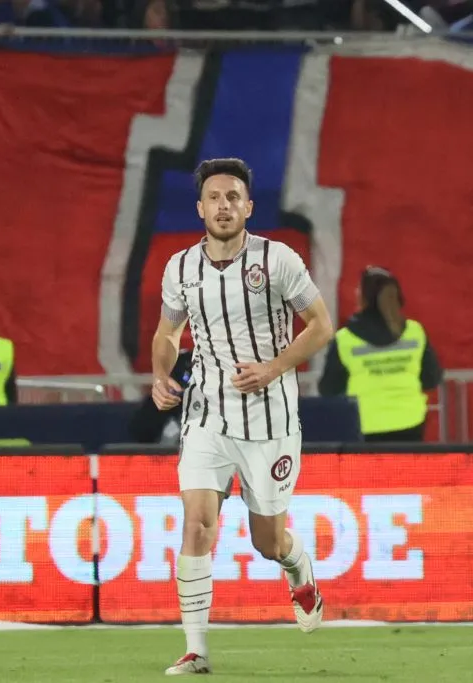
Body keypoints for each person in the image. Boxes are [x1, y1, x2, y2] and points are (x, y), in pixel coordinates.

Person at [150, 158, 333, 675]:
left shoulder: (277, 260)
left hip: (270, 420)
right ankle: (196, 650)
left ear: (248, 207)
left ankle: (299, 568)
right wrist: (162, 376)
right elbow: (167, 334)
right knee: (198, 526)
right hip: (206, 413)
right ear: (200, 208)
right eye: (214, 197)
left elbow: (321, 326)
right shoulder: (180, 268)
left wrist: (273, 368)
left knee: (267, 541)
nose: (224, 205)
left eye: (234, 197)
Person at [318, 266, 443, 442]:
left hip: (364, 424)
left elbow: (328, 389)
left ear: (363, 297)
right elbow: (431, 379)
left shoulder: (345, 339)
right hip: (410, 421)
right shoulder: (415, 332)